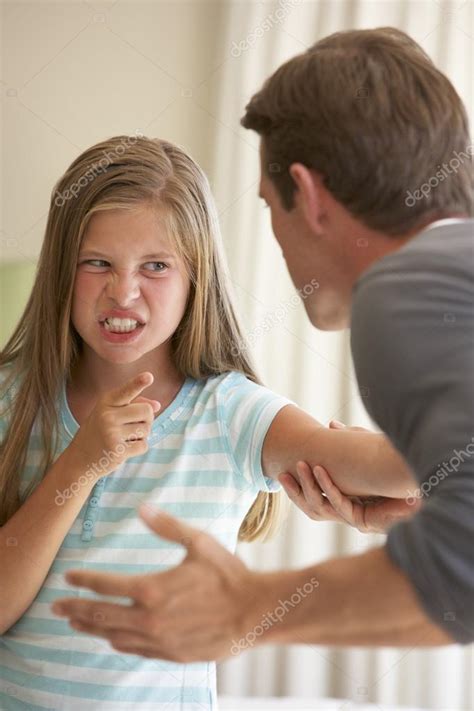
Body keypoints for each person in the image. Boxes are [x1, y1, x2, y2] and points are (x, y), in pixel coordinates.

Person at [51, 27, 473, 661]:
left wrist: (245, 608)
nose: (276, 236)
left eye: (271, 204)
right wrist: (435, 487)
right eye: (98, 263)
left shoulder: (406, 294)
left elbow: (461, 574)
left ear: (307, 195)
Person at [0, 135, 415, 709]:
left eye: (155, 266)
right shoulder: (12, 399)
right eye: (96, 263)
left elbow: (352, 459)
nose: (123, 292)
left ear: (196, 279)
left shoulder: (228, 411)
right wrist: (81, 464)